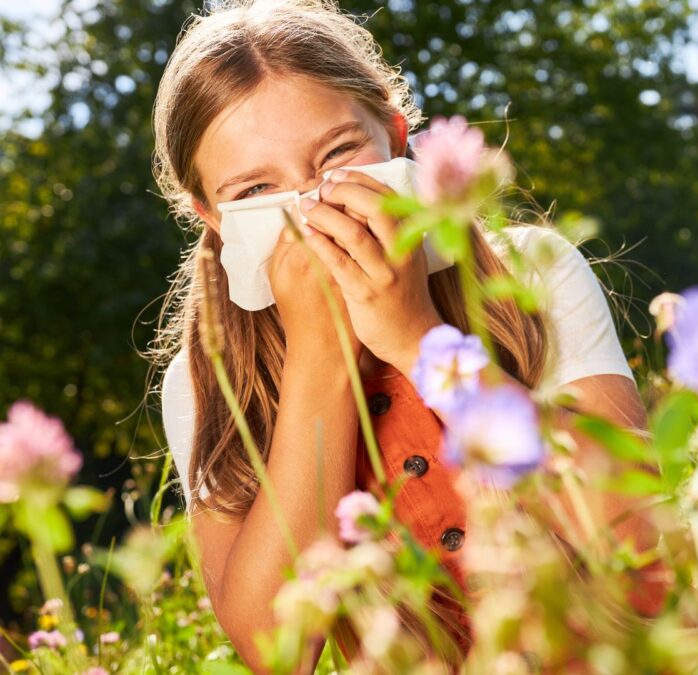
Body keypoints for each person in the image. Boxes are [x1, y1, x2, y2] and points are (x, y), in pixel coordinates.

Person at [150, 0, 664, 671]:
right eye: (256, 189)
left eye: (337, 153)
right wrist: (319, 359)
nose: (311, 206)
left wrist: (418, 338)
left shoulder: (530, 273)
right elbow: (274, 647)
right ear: (212, 216)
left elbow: (636, 532)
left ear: (395, 136)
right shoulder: (205, 380)